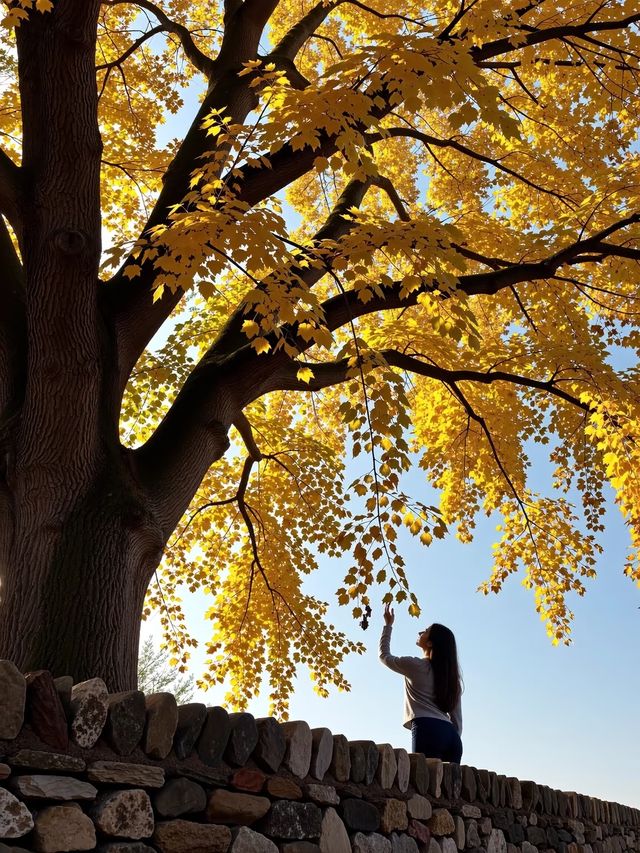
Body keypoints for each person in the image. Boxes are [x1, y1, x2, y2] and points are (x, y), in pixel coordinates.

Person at [379, 603, 463, 763]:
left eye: (425, 631)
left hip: (427, 728)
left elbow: (384, 656)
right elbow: (457, 718)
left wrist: (388, 625)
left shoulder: (415, 665)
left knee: (424, 784)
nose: (420, 632)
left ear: (431, 643)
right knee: (449, 788)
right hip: (452, 737)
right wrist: (451, 736)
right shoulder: (451, 677)